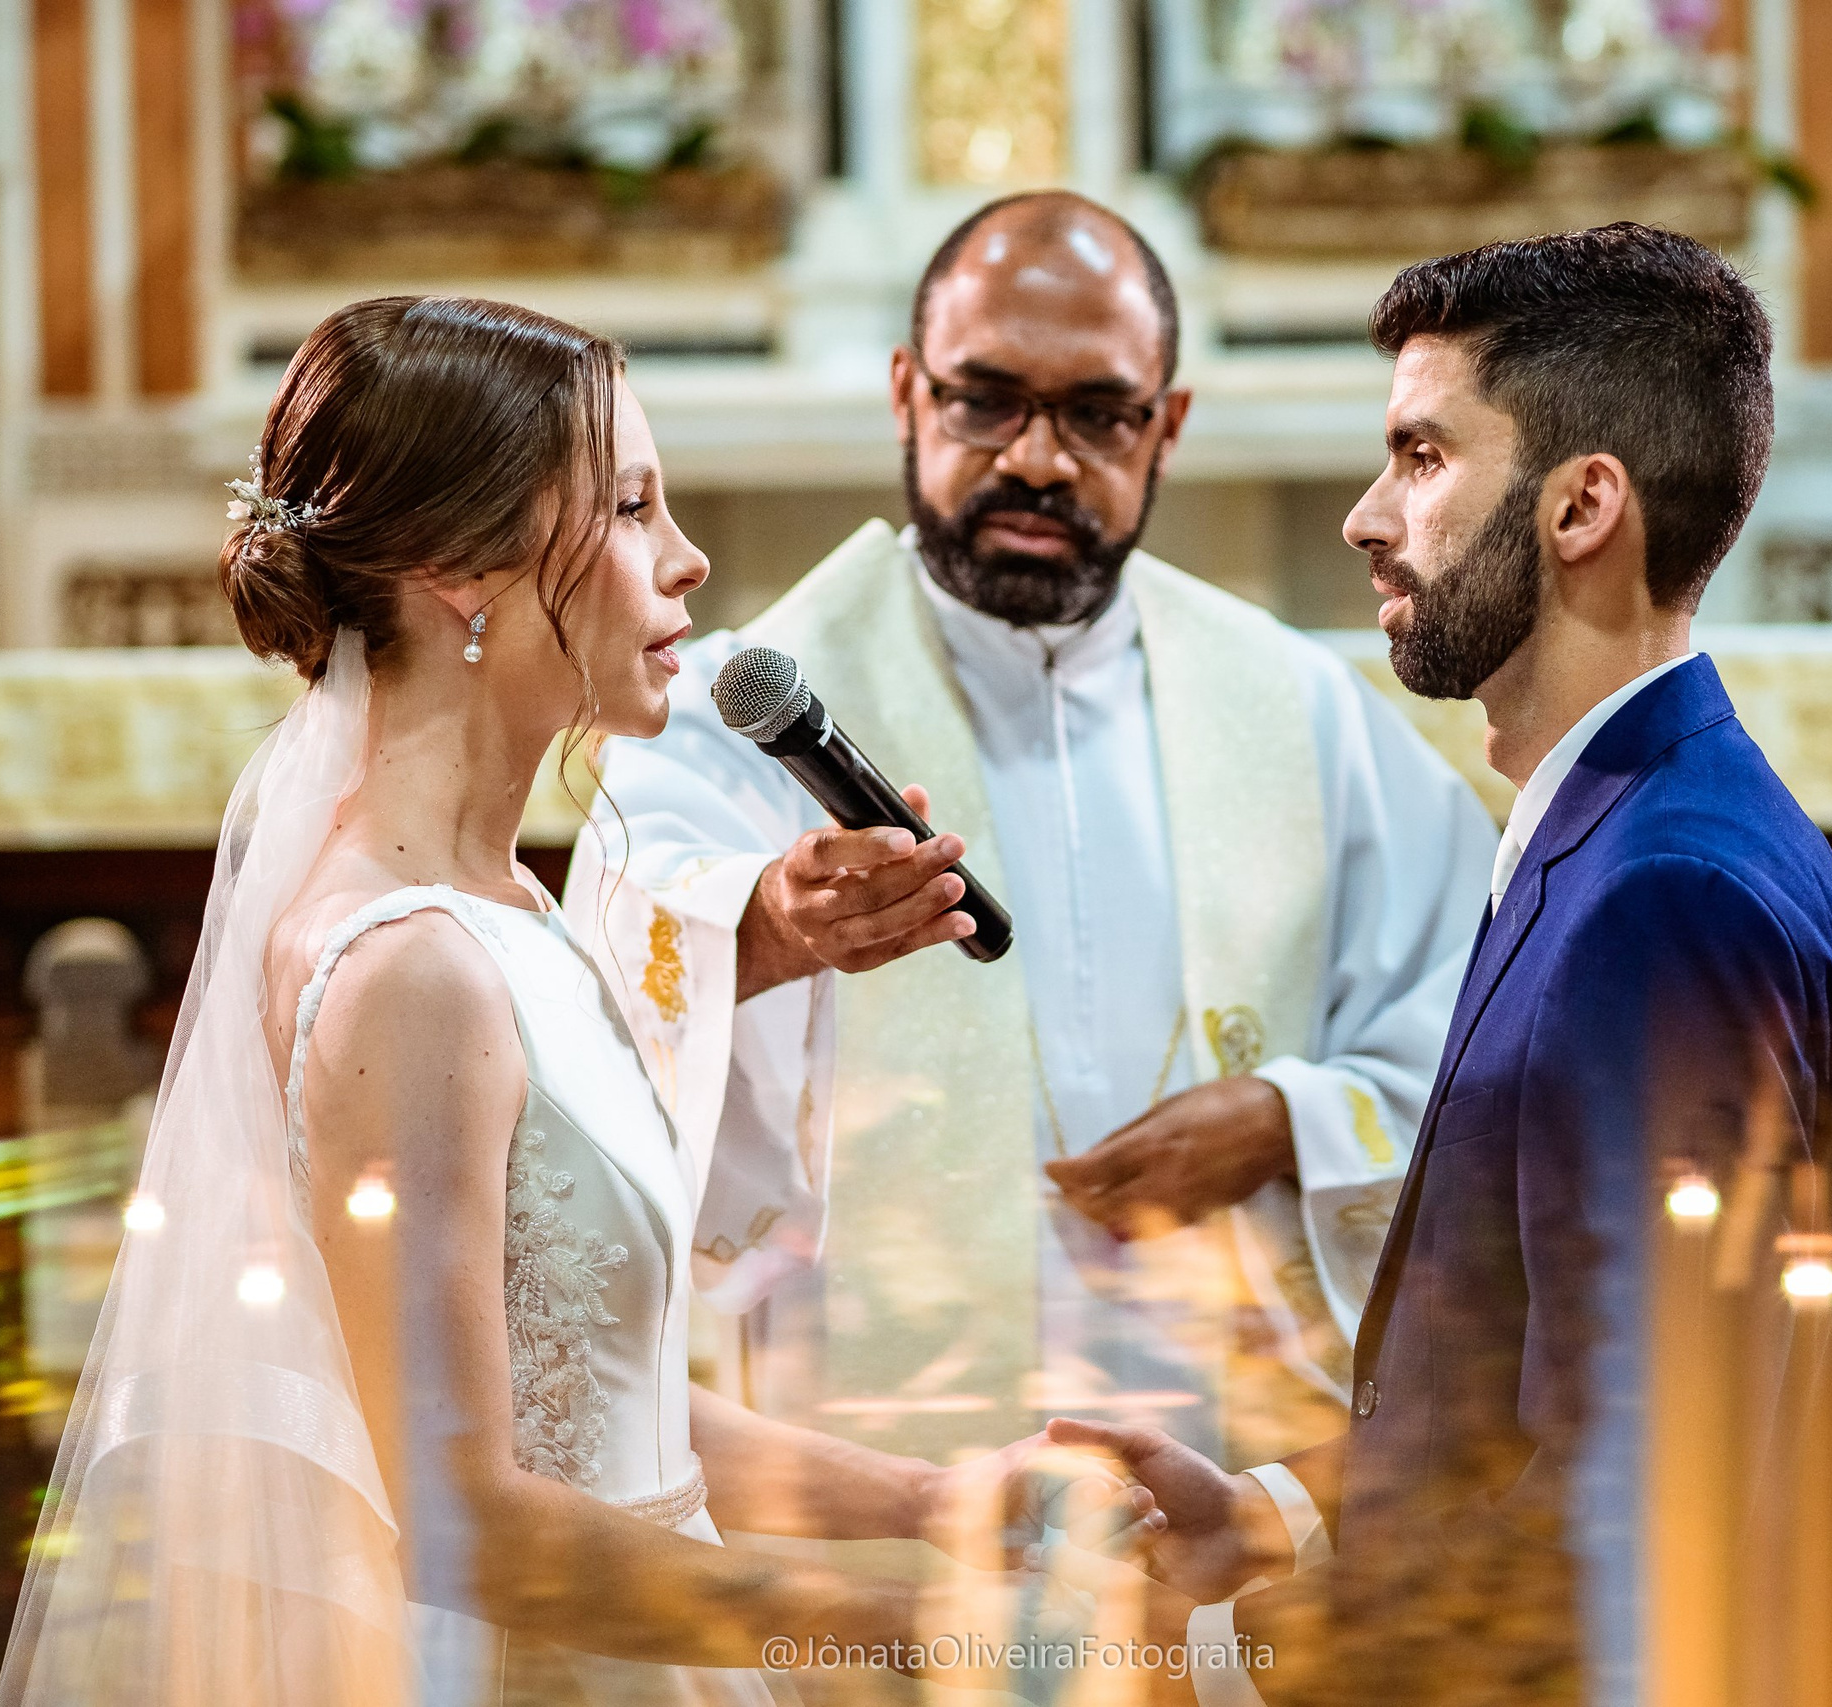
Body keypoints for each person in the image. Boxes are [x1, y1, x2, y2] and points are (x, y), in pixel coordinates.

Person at [0, 295, 1147, 1707]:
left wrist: (937, 1503)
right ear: (458, 571)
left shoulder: (509, 908)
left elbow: (600, 1405)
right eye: (633, 508)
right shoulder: (408, 968)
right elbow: (471, 1523)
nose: (688, 559)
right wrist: (920, 1631)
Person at [1057, 226, 1832, 1704]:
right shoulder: (1621, 827)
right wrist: (1285, 1516)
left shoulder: (1669, 894)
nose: (1369, 517)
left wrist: (1235, 1661)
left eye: (1424, 457)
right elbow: (1535, 1377)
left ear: (1583, 507)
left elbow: (1631, 1498)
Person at [589, 192, 1497, 1485]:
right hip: (872, 1456)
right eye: (984, 399)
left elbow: (1479, 1003)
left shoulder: (1296, 710)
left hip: (1227, 1449)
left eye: (1097, 412)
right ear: (908, 394)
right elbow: (611, 954)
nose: (1037, 458)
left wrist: (1290, 1120)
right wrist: (768, 930)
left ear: (1166, 424)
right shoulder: (738, 709)